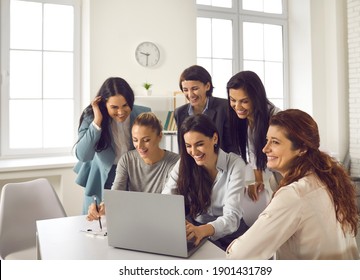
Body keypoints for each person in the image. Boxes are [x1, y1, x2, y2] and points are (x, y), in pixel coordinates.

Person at [226, 109, 360, 260]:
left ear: (302, 149)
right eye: (267, 140)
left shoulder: (294, 195)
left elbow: (239, 255)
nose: (265, 149)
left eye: (275, 142)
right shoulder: (329, 180)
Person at [162, 114, 248, 251]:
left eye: (199, 144)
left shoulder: (235, 164)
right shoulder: (184, 163)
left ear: (214, 138)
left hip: (230, 234)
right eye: (188, 146)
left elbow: (232, 218)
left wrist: (203, 230)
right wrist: (178, 223)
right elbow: (166, 198)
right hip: (195, 228)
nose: (194, 152)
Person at [74, 77, 151, 214]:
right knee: (97, 226)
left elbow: (152, 149)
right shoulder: (91, 117)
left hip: (133, 176)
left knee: (130, 223)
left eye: (125, 105)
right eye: (114, 107)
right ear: (104, 104)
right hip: (102, 178)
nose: (121, 112)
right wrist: (97, 122)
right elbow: (83, 155)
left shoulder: (143, 114)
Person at [86, 112, 180, 220]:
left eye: (146, 140)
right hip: (132, 220)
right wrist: (102, 207)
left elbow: (169, 203)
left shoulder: (175, 162)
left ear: (159, 136)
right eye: (135, 140)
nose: (139, 146)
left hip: (161, 220)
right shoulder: (127, 160)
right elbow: (116, 194)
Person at [226, 70, 281, 201]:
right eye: (233, 100)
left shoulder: (276, 118)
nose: (237, 106)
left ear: (256, 98)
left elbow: (288, 157)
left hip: (290, 173)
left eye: (244, 101)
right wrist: (258, 181)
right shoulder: (249, 119)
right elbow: (253, 152)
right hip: (278, 174)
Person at [174, 65, 236, 153]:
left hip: (220, 163)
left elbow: (232, 147)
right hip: (193, 163)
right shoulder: (179, 113)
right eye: (185, 90)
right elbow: (182, 149)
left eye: (195, 88)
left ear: (207, 86)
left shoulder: (225, 107)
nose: (190, 94)